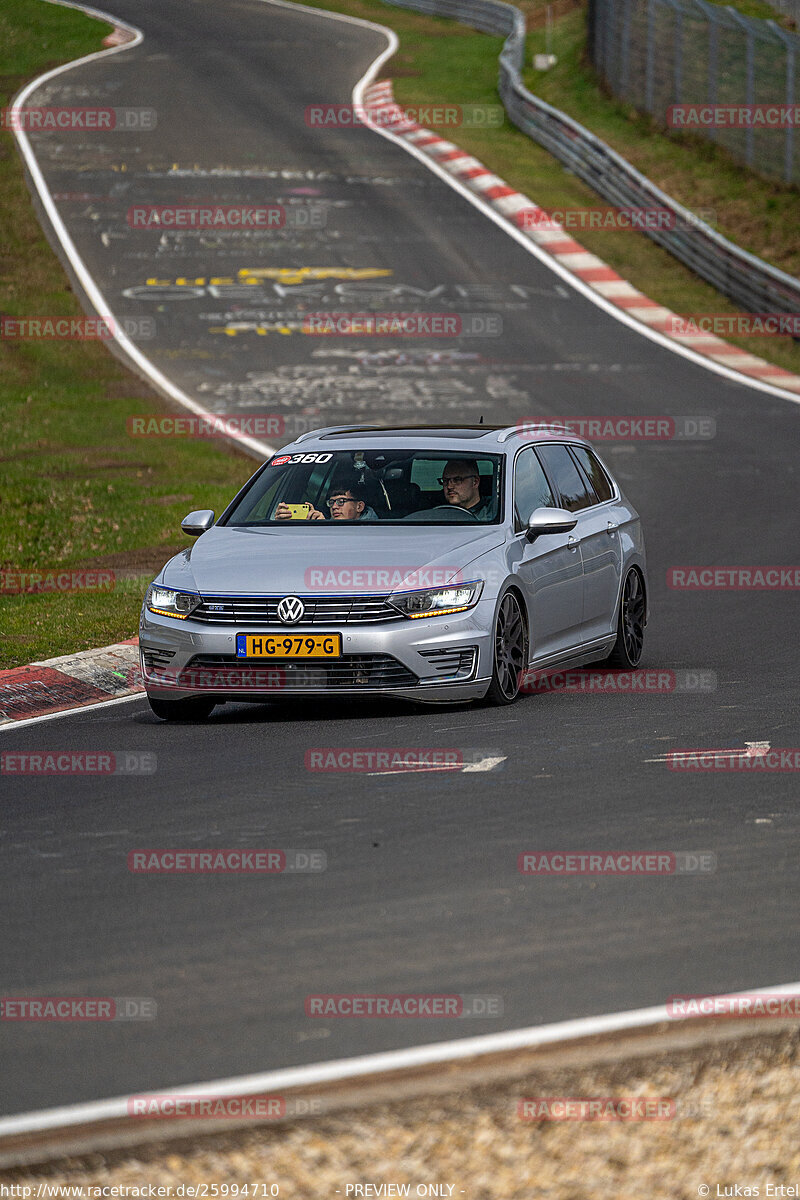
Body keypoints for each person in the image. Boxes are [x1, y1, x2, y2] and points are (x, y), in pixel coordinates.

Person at [274, 478, 379, 522]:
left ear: (359, 506)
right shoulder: (321, 519)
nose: (334, 507)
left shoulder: (373, 531)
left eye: (341, 501)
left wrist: (325, 529)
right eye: (331, 502)